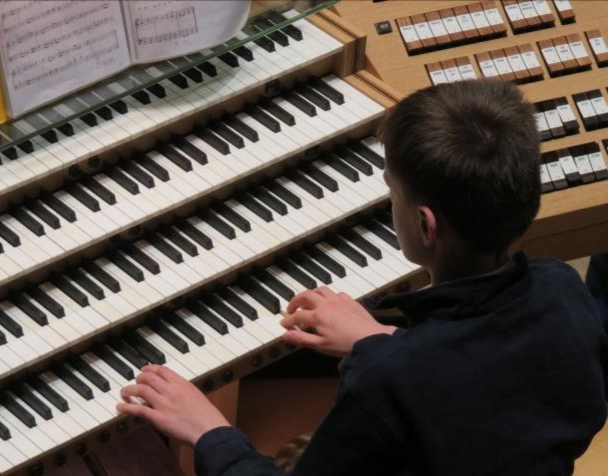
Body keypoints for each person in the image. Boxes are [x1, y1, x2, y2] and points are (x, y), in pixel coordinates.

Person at [116, 79, 608, 475]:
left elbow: (431, 378)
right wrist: (378, 339)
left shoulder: (389, 383)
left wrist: (208, 431)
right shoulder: (562, 290)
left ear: (424, 224)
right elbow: (481, 371)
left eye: (393, 193)